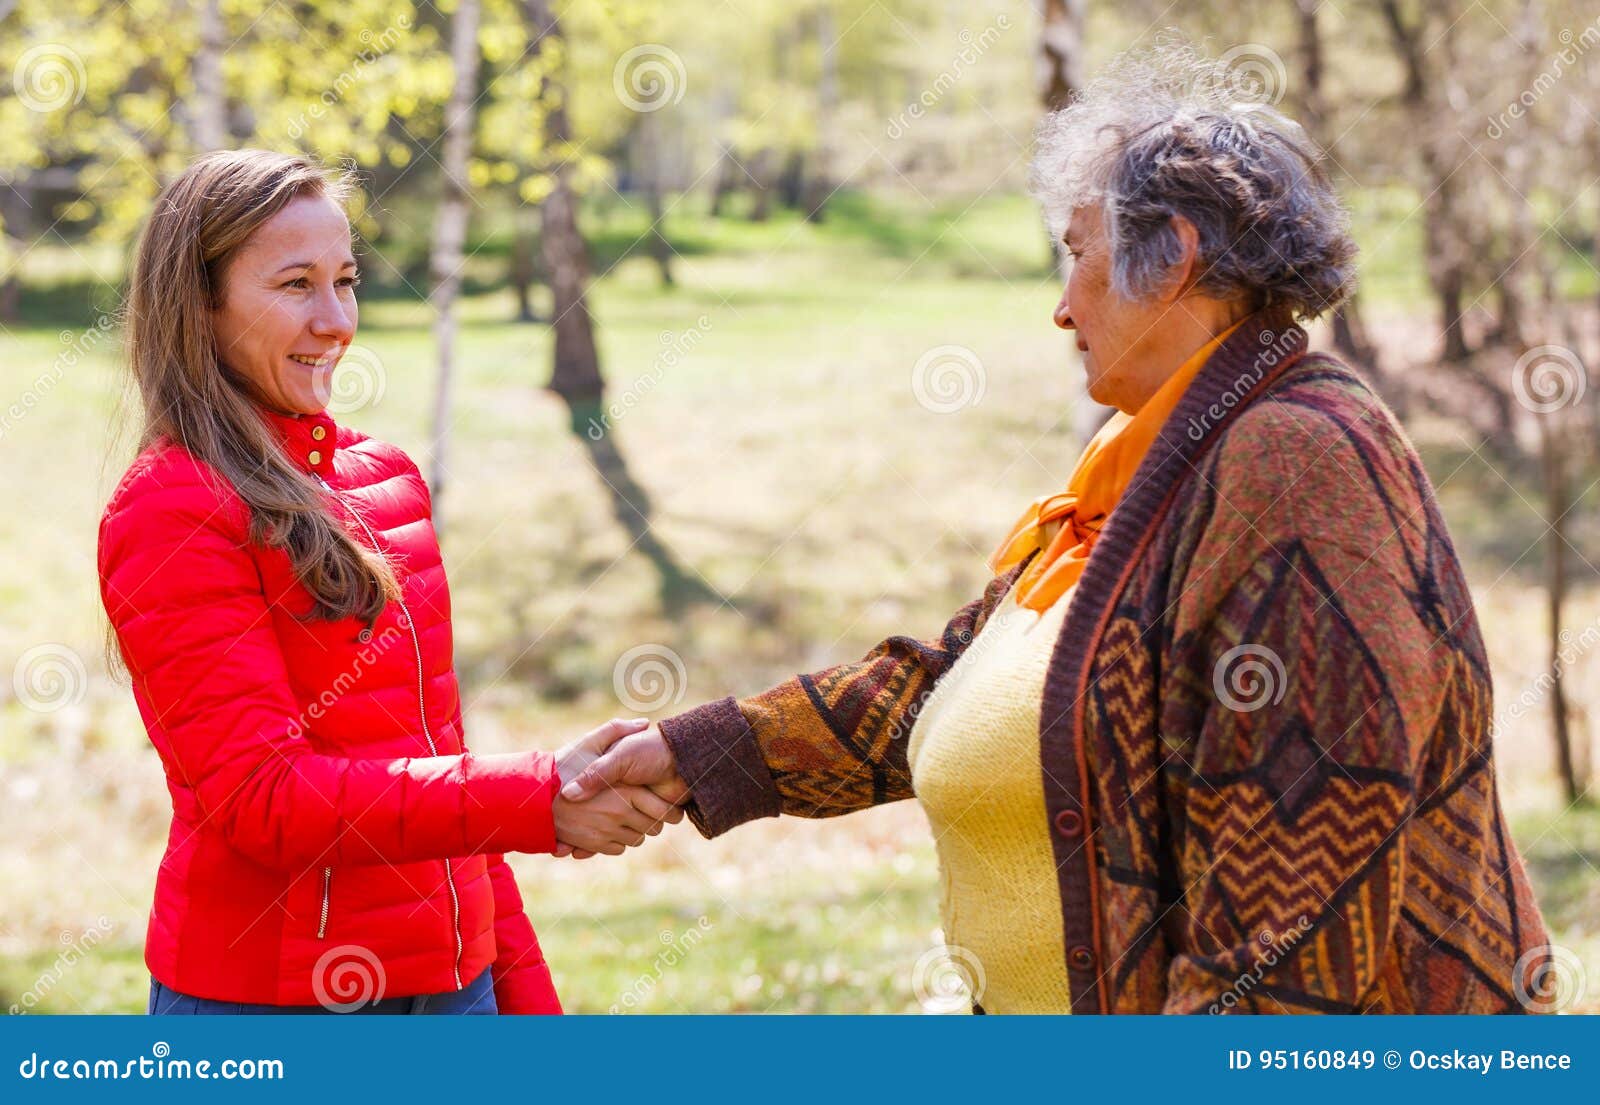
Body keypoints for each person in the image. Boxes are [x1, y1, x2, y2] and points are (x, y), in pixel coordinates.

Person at [563, 46, 1553, 1014]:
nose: (1059, 306)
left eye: (1076, 255)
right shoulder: (1149, 464)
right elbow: (945, 682)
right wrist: (697, 751)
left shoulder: (1294, 467)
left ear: (1171, 257)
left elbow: (1291, 926)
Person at [99, 149, 679, 1015]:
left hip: (455, 992)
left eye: (346, 280)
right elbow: (263, 800)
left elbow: (446, 776)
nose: (336, 321)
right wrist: (537, 795)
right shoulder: (172, 506)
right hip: (275, 1007)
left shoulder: (388, 481)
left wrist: (526, 1002)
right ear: (201, 306)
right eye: (296, 284)